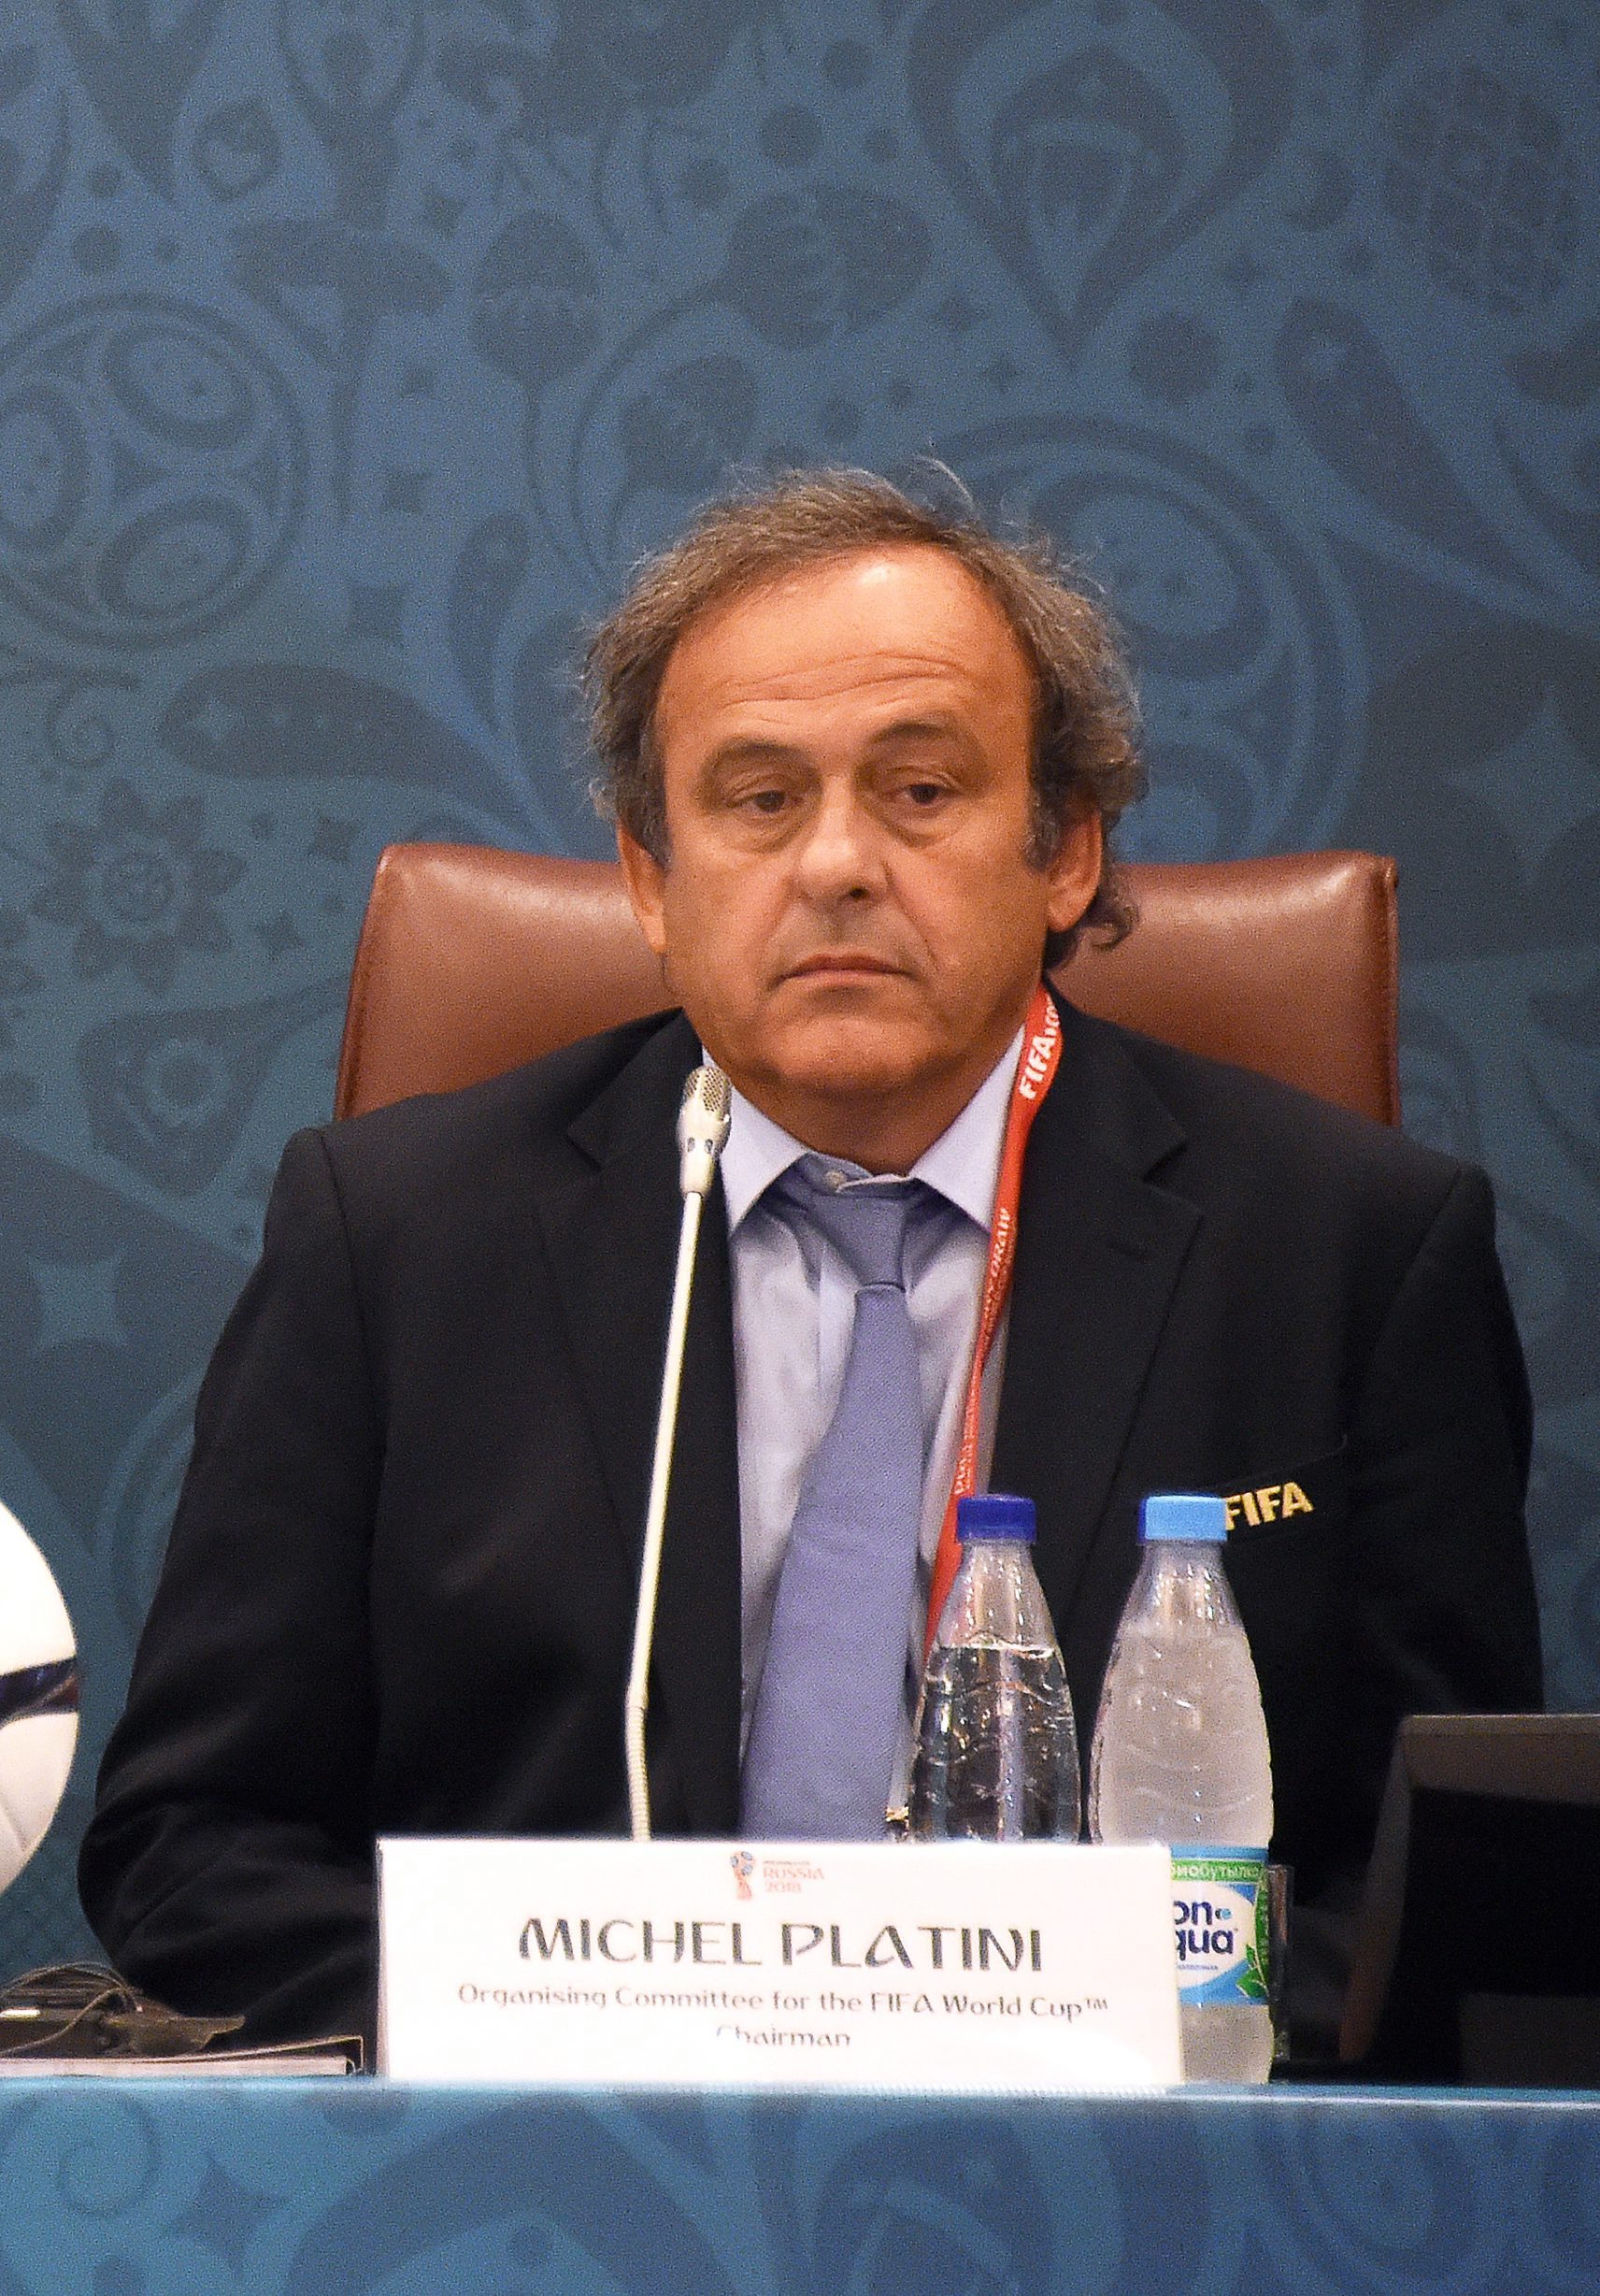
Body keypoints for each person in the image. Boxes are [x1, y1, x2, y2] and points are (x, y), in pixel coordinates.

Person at [80, 469, 1541, 2051]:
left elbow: (1445, 1886)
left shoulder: (1350, 1254)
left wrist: (1134, 2047)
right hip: (553, 2160)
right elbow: (194, 1847)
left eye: (919, 790)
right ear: (651, 878)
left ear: (1065, 850)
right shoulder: (398, 1241)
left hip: (1124, 2168)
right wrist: (555, 2041)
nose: (838, 862)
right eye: (761, 799)